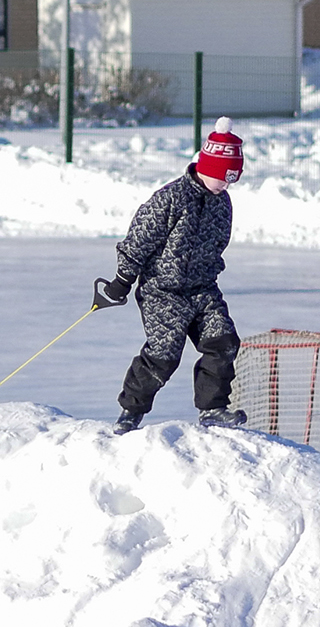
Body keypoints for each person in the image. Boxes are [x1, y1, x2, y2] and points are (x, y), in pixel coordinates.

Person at [97, 120, 244, 432]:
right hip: (163, 291)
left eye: (233, 178)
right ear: (208, 167)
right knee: (164, 354)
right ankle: (130, 412)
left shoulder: (222, 203)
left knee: (224, 342)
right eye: (224, 176)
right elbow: (139, 239)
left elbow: (219, 243)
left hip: (203, 289)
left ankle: (213, 408)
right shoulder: (170, 199)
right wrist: (122, 279)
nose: (227, 184)